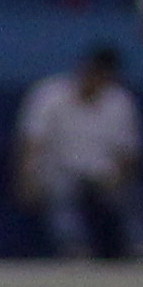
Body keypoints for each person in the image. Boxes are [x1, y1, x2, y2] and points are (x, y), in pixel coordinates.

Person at [16, 47, 138, 263]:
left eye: (101, 76)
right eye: (91, 73)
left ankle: (136, 244)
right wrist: (27, 178)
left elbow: (127, 152)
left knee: (126, 195)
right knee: (61, 192)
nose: (94, 79)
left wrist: (119, 178)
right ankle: (74, 248)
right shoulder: (48, 94)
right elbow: (32, 142)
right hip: (60, 170)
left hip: (103, 173)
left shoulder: (120, 101)